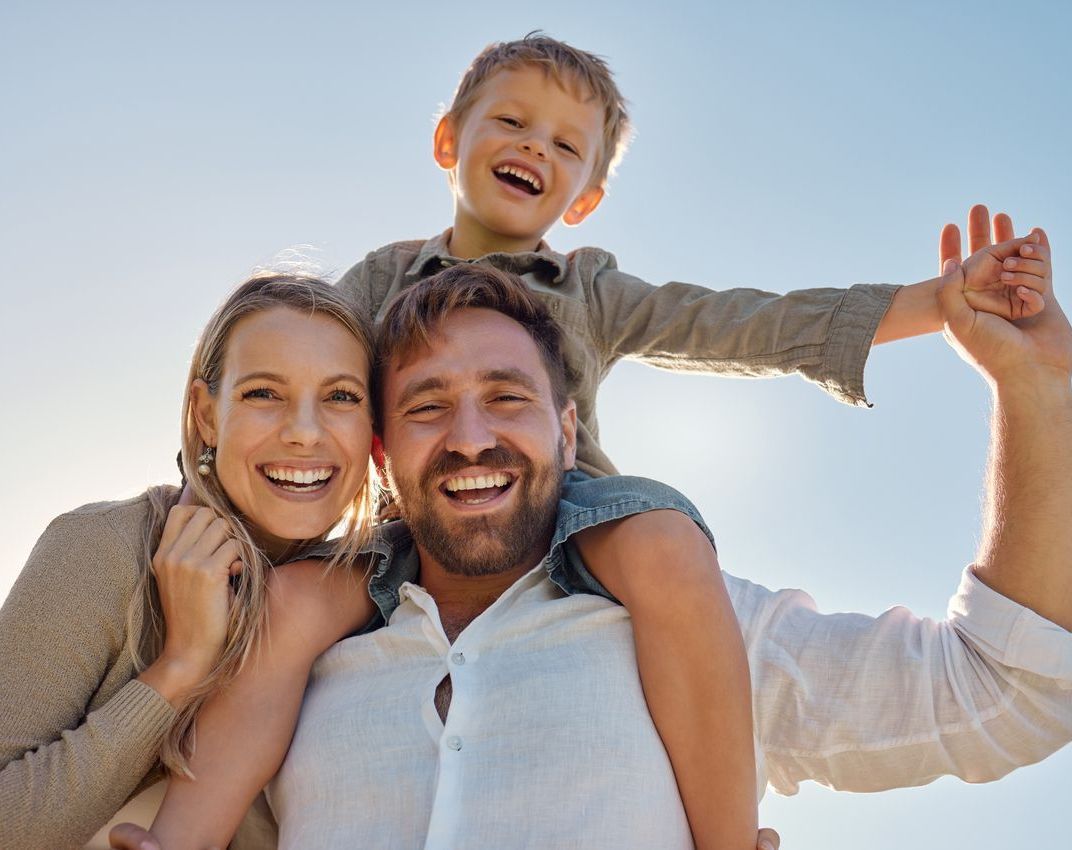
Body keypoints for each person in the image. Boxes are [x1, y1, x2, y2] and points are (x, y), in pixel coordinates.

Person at [333, 32, 1050, 840]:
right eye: (511, 121)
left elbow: (738, 323)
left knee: (667, 542)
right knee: (279, 607)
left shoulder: (589, 290)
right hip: (397, 526)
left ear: (583, 198)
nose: (535, 145)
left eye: (566, 145)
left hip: (573, 518)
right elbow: (292, 365)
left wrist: (935, 302)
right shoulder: (377, 282)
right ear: (447, 141)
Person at [115, 247, 1071, 849]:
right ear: (380, 453)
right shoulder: (294, 633)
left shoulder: (683, 620)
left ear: (569, 436)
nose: (472, 435)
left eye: (509, 397)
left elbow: (1008, 693)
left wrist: (1034, 396)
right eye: (426, 406)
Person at [0, 273, 380, 849]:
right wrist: (180, 665)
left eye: (341, 397)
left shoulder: (379, 590)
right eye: (263, 393)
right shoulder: (102, 548)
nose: (305, 432)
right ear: (205, 415)